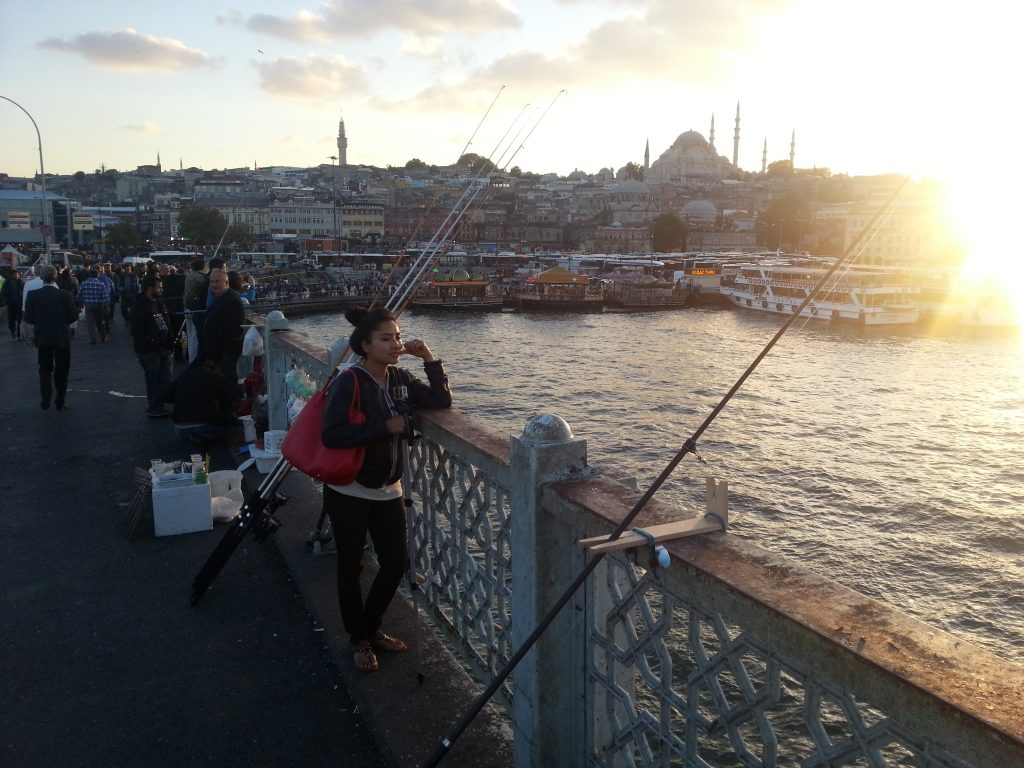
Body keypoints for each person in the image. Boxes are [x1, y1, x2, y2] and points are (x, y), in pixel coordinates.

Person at [320, 306, 452, 673]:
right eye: (386, 338)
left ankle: (371, 628)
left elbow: (442, 401)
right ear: (365, 345)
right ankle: (359, 638)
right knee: (351, 565)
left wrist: (428, 357)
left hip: (388, 488)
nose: (396, 344)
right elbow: (332, 435)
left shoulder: (400, 378)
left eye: (397, 336)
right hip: (349, 489)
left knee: (395, 563)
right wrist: (385, 426)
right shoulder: (349, 381)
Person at [23, 265, 78, 411]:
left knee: (45, 369)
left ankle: (46, 398)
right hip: (61, 337)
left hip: (43, 337)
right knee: (62, 370)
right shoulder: (65, 295)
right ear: (55, 277)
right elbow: (73, 317)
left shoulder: (33, 296)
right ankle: (60, 401)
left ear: (41, 277)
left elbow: (28, 318)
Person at [162, 358, 240, 447]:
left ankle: (198, 437)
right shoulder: (218, 378)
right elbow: (227, 405)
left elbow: (166, 397)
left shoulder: (184, 376)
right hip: (207, 425)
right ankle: (208, 438)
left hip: (180, 429)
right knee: (233, 426)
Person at [130, 275, 175, 418]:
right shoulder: (140, 305)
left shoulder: (158, 302)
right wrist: (149, 346)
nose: (162, 289)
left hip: (163, 348)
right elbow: (137, 330)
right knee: (154, 380)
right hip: (150, 351)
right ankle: (154, 407)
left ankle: (158, 404)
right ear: (150, 288)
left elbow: (165, 322)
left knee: (165, 378)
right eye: (159, 287)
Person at [202, 268, 245, 394]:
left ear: (226, 283)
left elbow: (233, 331)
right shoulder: (222, 298)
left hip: (224, 354)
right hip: (218, 354)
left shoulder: (232, 300)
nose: (214, 285)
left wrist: (223, 354)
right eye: (212, 282)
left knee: (227, 385)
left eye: (217, 281)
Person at [77, 268, 113, 343]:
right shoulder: (101, 284)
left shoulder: (84, 283)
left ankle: (93, 339)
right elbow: (105, 297)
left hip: (88, 306)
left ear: (90, 275)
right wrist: (108, 307)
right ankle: (103, 337)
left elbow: (79, 295)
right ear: (98, 275)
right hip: (99, 305)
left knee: (90, 323)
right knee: (100, 322)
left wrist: (80, 303)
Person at [183, 259, 207, 362]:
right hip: (195, 309)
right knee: (194, 336)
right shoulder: (201, 278)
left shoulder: (189, 276)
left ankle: (190, 357)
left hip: (186, 307)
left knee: (190, 335)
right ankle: (193, 359)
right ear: (203, 267)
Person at [3, 270, 24, 339]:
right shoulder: (6, 283)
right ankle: (13, 331)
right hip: (11, 304)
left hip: (19, 304)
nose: (17, 276)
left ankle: (18, 334)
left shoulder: (21, 282)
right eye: (15, 275)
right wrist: (5, 301)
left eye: (17, 274)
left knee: (20, 320)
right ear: (11, 275)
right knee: (11, 320)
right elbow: (3, 293)